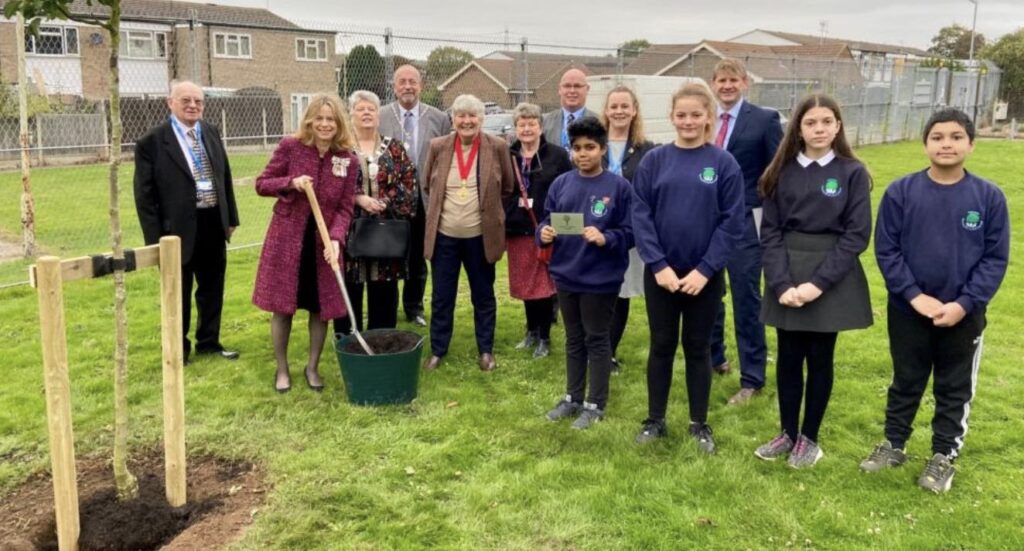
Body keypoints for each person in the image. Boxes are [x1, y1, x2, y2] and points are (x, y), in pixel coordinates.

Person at [860, 108, 1009, 493]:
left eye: (956, 137)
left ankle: (943, 455)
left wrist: (964, 303)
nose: (947, 143)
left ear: (971, 145)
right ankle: (894, 444)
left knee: (954, 386)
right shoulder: (901, 192)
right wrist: (914, 296)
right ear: (925, 143)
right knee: (905, 378)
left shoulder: (988, 197)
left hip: (964, 315)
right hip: (909, 311)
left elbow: (995, 258)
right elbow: (888, 251)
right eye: (938, 137)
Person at [752, 94, 873, 468]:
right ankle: (787, 432)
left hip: (830, 277)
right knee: (788, 357)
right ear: (798, 128)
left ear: (838, 126)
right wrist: (782, 282)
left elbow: (856, 236)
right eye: (810, 123)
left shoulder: (852, 172)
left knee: (820, 358)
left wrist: (816, 285)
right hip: (786, 272)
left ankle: (810, 438)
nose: (819, 129)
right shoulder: (779, 172)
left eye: (826, 121)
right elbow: (769, 233)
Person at [631, 84, 745, 452]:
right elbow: (641, 214)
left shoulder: (723, 164)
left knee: (698, 348)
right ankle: (655, 420)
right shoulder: (654, 161)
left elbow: (732, 222)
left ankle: (699, 424)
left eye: (696, 114)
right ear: (672, 117)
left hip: (703, 278)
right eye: (681, 115)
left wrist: (705, 270)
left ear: (709, 118)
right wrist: (659, 265)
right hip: (661, 276)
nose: (688, 121)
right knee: (661, 345)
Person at [252, 93, 358, 393]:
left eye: (331, 119)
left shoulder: (347, 159)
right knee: (283, 307)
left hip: (322, 243)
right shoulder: (291, 147)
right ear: (310, 120)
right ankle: (282, 369)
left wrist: (336, 239)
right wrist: (290, 182)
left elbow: (345, 207)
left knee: (319, 307)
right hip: (288, 240)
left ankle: (312, 367)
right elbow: (262, 183)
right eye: (320, 118)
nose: (325, 124)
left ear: (339, 123)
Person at [134, 80, 240, 365]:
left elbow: (224, 176)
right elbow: (144, 196)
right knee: (177, 292)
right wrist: (156, 241)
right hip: (176, 231)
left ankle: (209, 342)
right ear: (170, 103)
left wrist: (231, 218)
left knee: (212, 288)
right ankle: (178, 350)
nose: (193, 106)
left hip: (212, 223)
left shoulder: (211, 132)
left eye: (198, 101)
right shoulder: (152, 141)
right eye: (186, 101)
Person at [539, 117, 633, 430]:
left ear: (603, 149)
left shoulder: (618, 187)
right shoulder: (561, 184)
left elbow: (632, 231)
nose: (583, 154)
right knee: (573, 338)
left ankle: (596, 402)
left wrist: (607, 238)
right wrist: (545, 233)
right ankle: (573, 396)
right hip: (566, 275)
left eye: (590, 147)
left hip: (600, 279)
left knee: (597, 338)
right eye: (577, 148)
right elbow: (543, 221)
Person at [421, 94, 516, 372]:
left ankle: (485, 350)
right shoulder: (438, 146)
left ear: (481, 119)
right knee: (441, 297)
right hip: (445, 237)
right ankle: (438, 350)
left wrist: (489, 214)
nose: (466, 121)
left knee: (483, 296)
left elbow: (507, 188)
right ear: (453, 119)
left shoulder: (497, 146)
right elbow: (428, 184)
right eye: (461, 115)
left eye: (472, 116)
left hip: (480, 238)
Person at [708, 58, 784, 405]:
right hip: (706, 221)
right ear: (713, 84)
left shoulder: (764, 120)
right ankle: (714, 358)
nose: (726, 86)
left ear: (744, 83)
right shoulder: (704, 120)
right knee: (707, 291)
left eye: (732, 80)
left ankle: (752, 376)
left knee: (745, 297)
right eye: (721, 80)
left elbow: (777, 170)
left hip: (745, 223)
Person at [334, 90, 417, 335]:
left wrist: (384, 202)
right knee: (350, 285)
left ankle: (382, 338)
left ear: (379, 116)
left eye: (371, 109)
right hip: (350, 231)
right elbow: (329, 188)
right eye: (361, 109)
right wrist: (358, 198)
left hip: (385, 233)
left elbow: (409, 183)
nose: (367, 113)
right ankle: (349, 340)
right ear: (351, 115)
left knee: (384, 287)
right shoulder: (340, 150)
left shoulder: (395, 148)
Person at [378, 64, 453, 328]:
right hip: (389, 199)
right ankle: (386, 308)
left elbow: (445, 157)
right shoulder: (380, 115)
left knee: (419, 256)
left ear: (420, 86)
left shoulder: (439, 118)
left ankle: (414, 307)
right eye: (402, 82)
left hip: (424, 198)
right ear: (394, 86)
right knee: (389, 253)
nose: (408, 86)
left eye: (413, 81)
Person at [506, 102, 573, 358]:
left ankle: (545, 337)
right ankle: (531, 331)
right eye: (521, 124)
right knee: (526, 286)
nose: (527, 128)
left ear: (540, 127)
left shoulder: (556, 155)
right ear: (515, 128)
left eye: (531, 123)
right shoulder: (509, 155)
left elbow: (567, 189)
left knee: (544, 287)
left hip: (545, 230)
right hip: (518, 230)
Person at [599, 85, 656, 372]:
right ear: (606, 111)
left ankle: (608, 352)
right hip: (595, 232)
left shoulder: (648, 150)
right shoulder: (594, 144)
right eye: (614, 106)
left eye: (625, 106)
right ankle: (593, 349)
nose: (619, 111)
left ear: (634, 110)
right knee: (597, 292)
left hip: (629, 234)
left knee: (620, 292)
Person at [543, 69, 599, 153]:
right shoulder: (544, 122)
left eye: (577, 86)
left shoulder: (600, 123)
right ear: (560, 89)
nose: (572, 91)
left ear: (587, 89)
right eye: (567, 86)